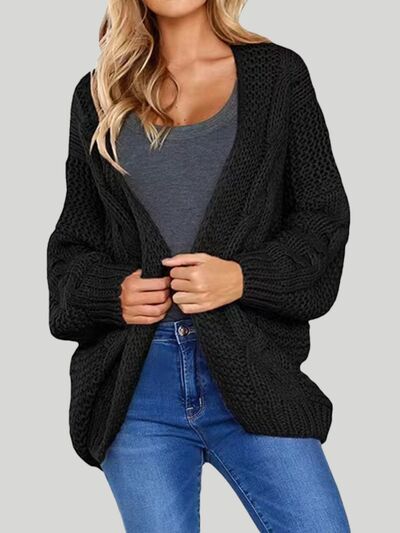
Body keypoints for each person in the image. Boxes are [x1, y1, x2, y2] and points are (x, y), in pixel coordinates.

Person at [47, 1, 351, 531]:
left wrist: (245, 277)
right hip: (138, 390)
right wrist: (112, 292)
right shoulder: (97, 94)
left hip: (253, 375)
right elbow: (70, 249)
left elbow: (322, 221)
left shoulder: (278, 76)